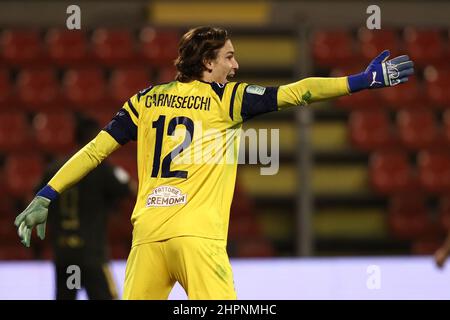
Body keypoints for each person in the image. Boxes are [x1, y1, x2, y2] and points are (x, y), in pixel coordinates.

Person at [15, 26, 414, 300]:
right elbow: (300, 93)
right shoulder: (227, 99)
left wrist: (46, 195)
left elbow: (94, 150)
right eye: (229, 57)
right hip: (198, 240)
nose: (235, 66)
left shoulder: (144, 100)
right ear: (208, 62)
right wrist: (361, 81)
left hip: (148, 239)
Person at [38, 116, 134, 299]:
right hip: (91, 256)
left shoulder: (55, 169)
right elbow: (129, 189)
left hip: (66, 255)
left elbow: (38, 201)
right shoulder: (102, 169)